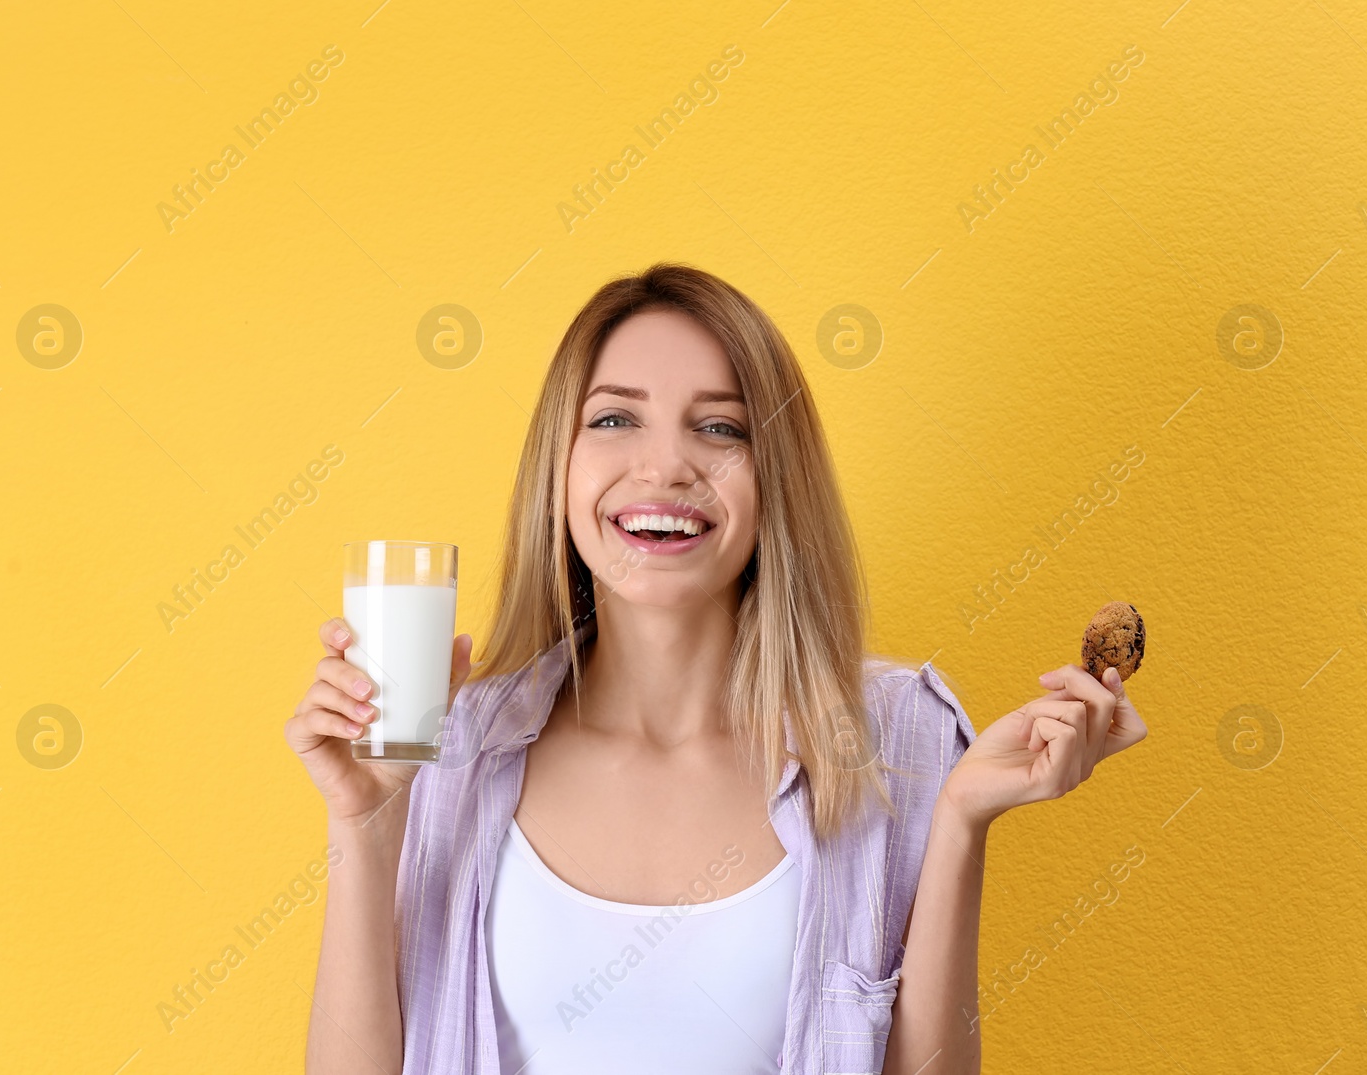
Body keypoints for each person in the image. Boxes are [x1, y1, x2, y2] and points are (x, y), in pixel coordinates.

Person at [287, 263, 1147, 1074]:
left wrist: (961, 817)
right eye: (616, 418)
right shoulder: (449, 742)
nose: (665, 466)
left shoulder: (895, 737)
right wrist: (365, 820)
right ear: (561, 465)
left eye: (721, 427)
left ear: (778, 480)